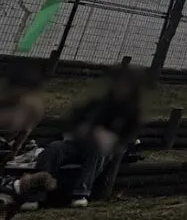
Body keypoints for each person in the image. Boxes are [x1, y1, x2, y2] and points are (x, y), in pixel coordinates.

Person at [35, 66, 142, 207]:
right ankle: (35, 195)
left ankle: (80, 193)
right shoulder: (94, 104)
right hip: (75, 143)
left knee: (95, 151)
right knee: (53, 149)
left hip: (101, 148)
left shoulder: (129, 111)